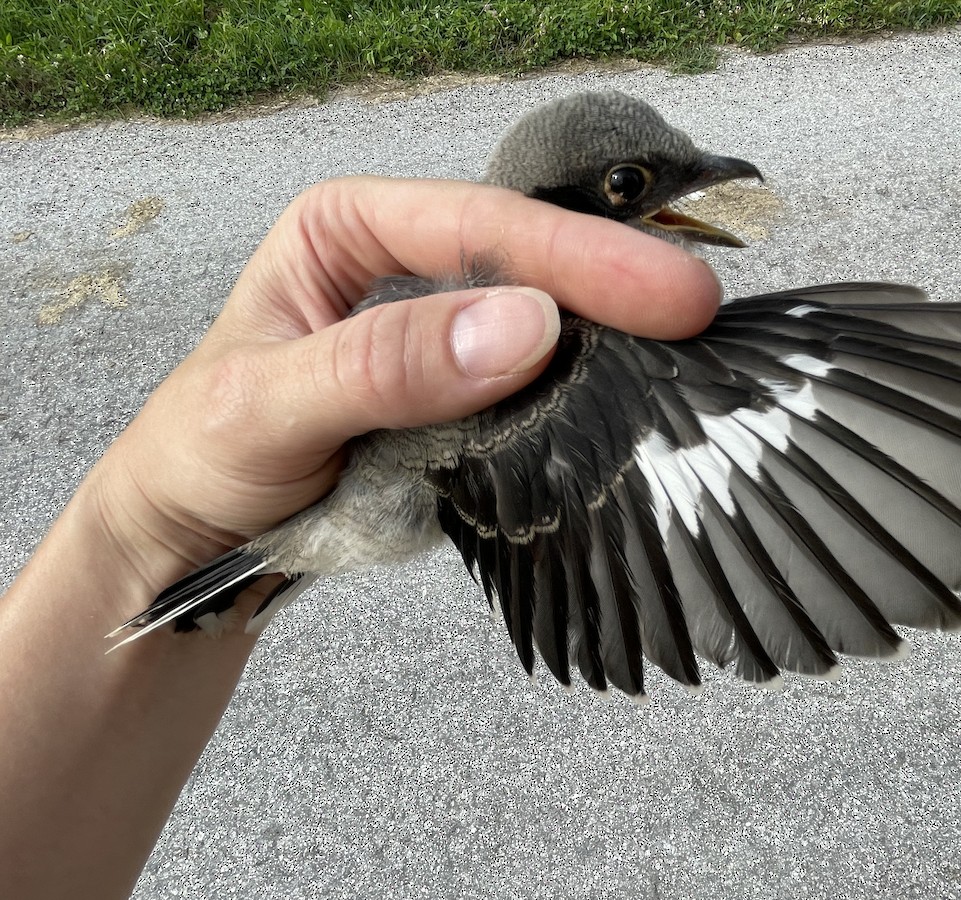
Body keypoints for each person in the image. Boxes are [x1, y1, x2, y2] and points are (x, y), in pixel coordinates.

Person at [0, 176, 722, 899]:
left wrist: (148, 528)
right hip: (381, 495)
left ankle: (194, 599)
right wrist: (155, 530)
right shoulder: (562, 324)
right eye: (626, 188)